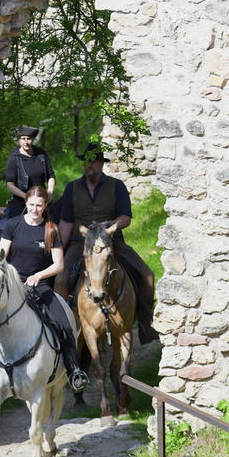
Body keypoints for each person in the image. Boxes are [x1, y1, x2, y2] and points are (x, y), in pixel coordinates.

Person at [55, 143, 159, 345]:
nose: (89, 165)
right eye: (87, 161)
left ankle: (146, 324)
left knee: (147, 275)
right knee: (60, 280)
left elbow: (125, 217)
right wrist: (59, 249)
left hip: (112, 242)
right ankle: (62, 330)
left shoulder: (116, 186)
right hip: (81, 243)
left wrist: (109, 228)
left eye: (93, 161)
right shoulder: (72, 188)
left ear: (102, 163)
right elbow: (66, 222)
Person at [0, 185, 89, 392]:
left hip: (40, 286)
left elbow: (59, 264)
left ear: (45, 205)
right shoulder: (12, 225)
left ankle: (74, 371)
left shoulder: (51, 229)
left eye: (39, 205)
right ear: (26, 203)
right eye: (31, 205)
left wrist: (39, 275)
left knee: (65, 324)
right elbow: (1, 259)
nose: (34, 209)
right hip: (14, 285)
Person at [5, 126, 56, 218]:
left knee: (59, 216)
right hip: (21, 199)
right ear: (19, 140)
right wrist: (27, 197)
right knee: (15, 223)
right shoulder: (14, 157)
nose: (26, 142)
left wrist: (50, 190)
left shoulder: (41, 154)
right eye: (23, 139)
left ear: (32, 140)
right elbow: (10, 185)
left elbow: (51, 175)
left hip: (42, 198)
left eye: (28, 139)